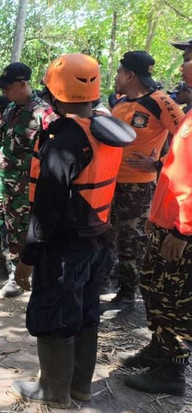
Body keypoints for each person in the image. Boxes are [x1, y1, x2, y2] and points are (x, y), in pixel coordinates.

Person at [12, 54, 135, 408]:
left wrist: (28, 257)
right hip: (97, 238)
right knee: (84, 312)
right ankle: (79, 386)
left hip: (65, 246)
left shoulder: (64, 139)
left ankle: (54, 391)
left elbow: (47, 209)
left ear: (54, 92)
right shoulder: (104, 127)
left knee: (54, 313)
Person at [121, 39, 192, 397]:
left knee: (174, 296)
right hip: (165, 220)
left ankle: (172, 369)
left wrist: (184, 230)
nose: (182, 68)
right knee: (154, 288)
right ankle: (160, 346)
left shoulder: (169, 105)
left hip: (182, 229)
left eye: (188, 60)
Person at [106, 51, 185, 310]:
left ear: (130, 75)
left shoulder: (160, 101)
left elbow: (186, 137)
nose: (116, 77)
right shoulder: (120, 102)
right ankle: (111, 283)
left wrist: (158, 164)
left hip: (137, 186)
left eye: (119, 72)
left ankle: (128, 294)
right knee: (110, 235)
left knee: (131, 238)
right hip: (109, 183)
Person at [0, 62, 55, 298]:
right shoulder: (10, 109)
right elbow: (3, 145)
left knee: (17, 232)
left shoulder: (44, 114)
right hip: (0, 178)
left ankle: (18, 277)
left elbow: (52, 152)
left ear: (23, 84)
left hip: (23, 185)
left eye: (7, 87)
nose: (4, 92)